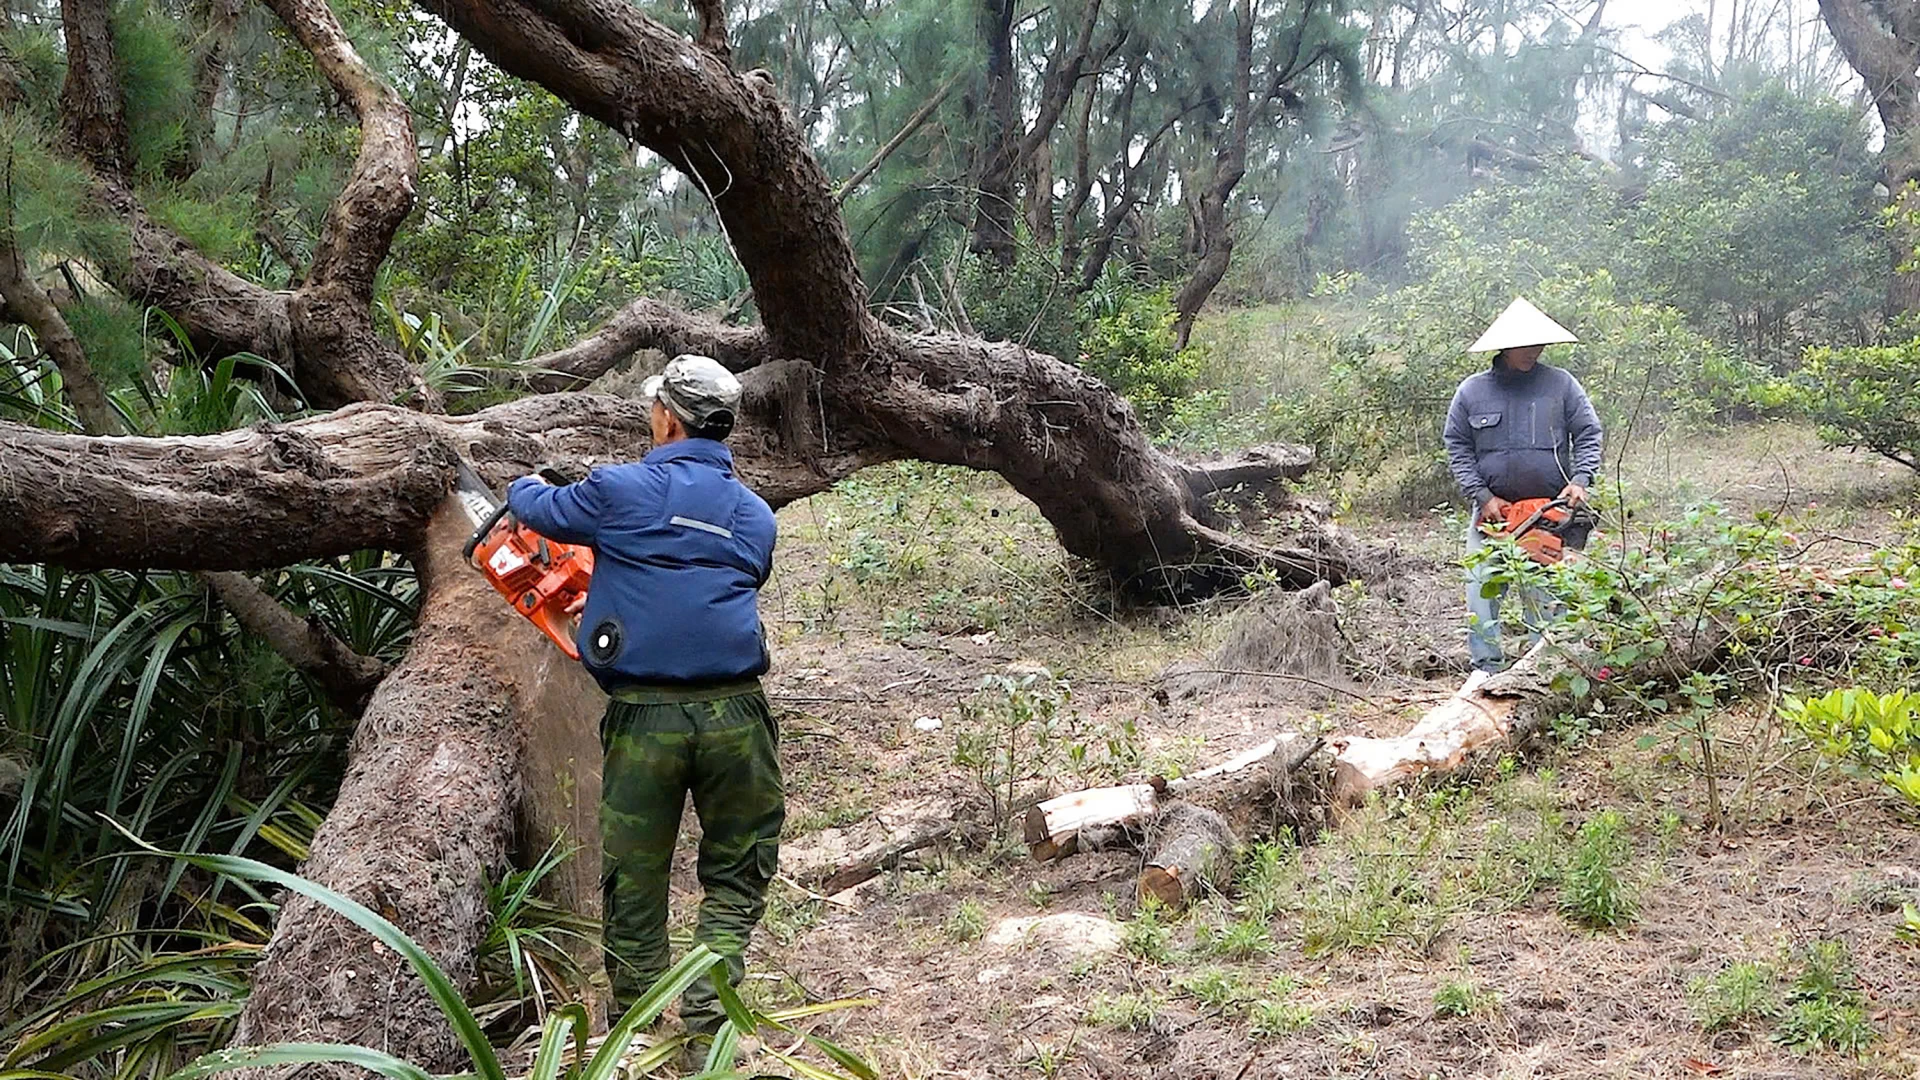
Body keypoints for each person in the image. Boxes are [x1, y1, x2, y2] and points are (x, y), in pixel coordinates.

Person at [506, 354, 780, 1037]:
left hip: (646, 716)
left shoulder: (616, 491)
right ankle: (711, 1011)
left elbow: (536, 508)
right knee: (739, 864)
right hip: (738, 715)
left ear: (666, 418)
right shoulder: (755, 517)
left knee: (634, 876)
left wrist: (523, 479)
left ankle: (634, 1026)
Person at [1442, 297, 1603, 672]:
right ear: (1506, 345)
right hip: (1493, 516)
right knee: (1481, 590)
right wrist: (1481, 496)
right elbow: (1458, 445)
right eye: (1526, 344)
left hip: (1546, 513)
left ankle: (1543, 671)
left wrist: (1581, 479)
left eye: (1539, 344)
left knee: (1544, 595)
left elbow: (1589, 433)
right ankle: (1486, 672)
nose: (1534, 351)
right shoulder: (1471, 392)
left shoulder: (1561, 385)